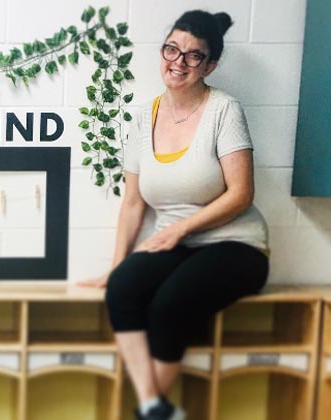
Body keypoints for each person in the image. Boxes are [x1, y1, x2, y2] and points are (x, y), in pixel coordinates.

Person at [77, 10, 270, 420]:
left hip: (235, 246)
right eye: (171, 49)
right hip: (177, 244)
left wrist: (180, 227)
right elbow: (133, 203)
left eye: (193, 56)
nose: (177, 62)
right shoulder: (141, 117)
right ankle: (153, 407)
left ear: (210, 65)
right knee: (124, 288)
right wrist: (116, 266)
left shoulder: (224, 110)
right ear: (162, 50)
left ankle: (147, 411)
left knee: (168, 305)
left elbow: (241, 194)